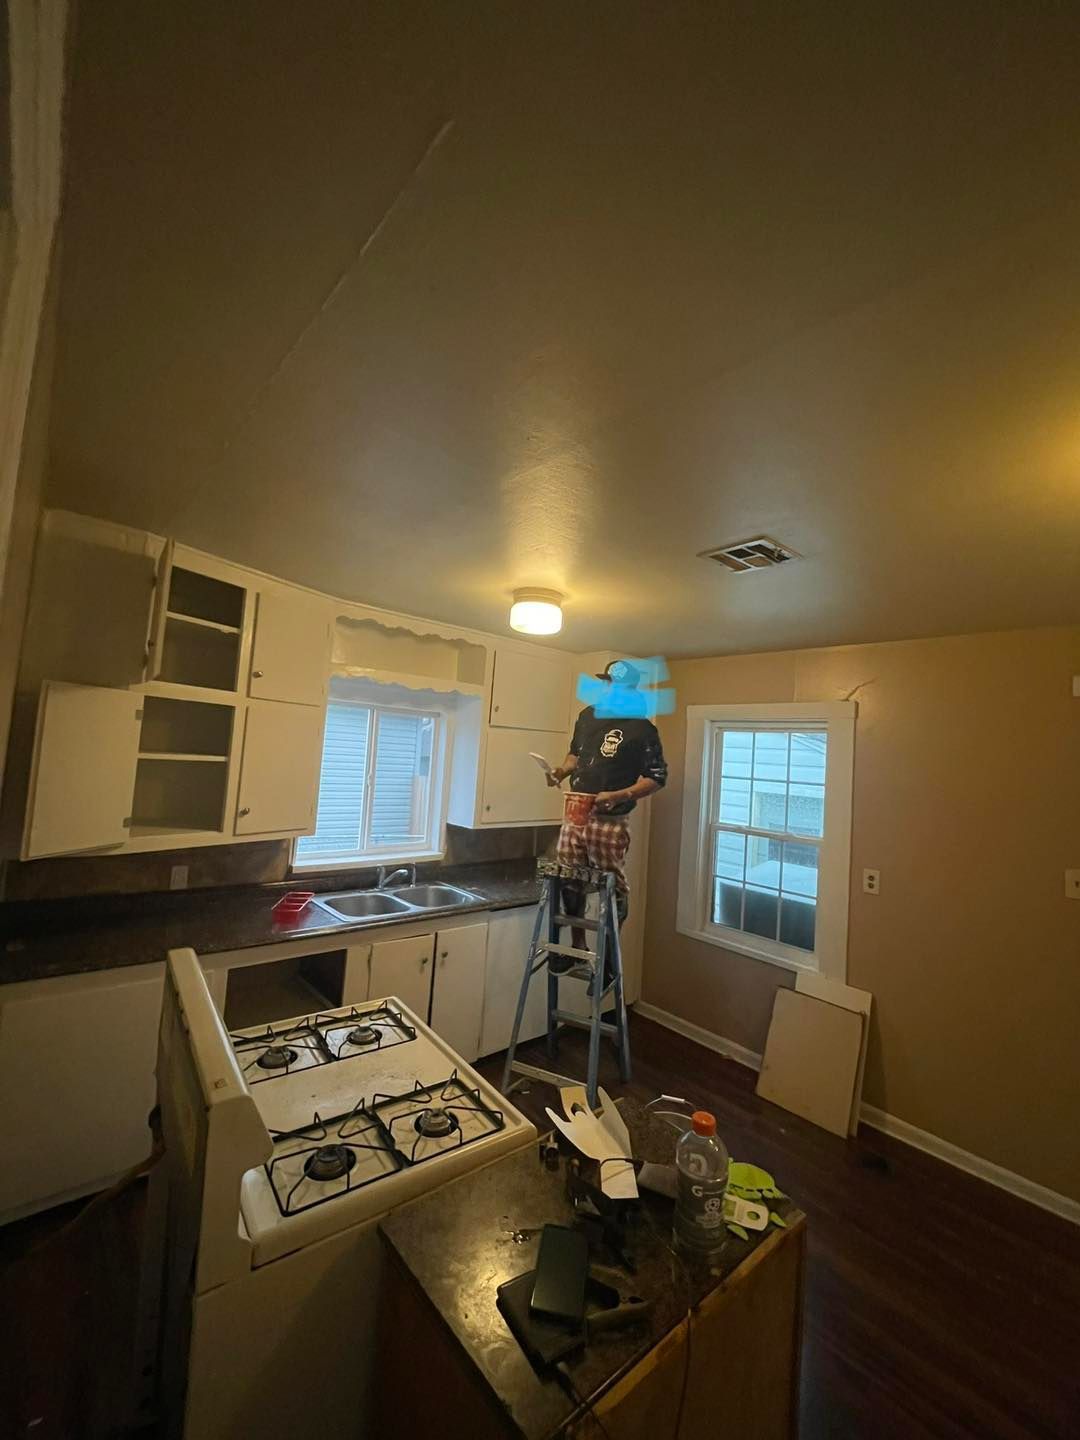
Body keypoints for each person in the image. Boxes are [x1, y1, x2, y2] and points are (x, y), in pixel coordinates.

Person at [546, 659, 668, 967]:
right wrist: (560, 772)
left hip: (610, 819)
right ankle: (578, 949)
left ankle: (610, 958)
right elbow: (575, 754)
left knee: (610, 886)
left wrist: (620, 795)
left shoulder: (642, 729)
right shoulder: (588, 716)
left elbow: (656, 777)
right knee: (569, 877)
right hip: (576, 808)